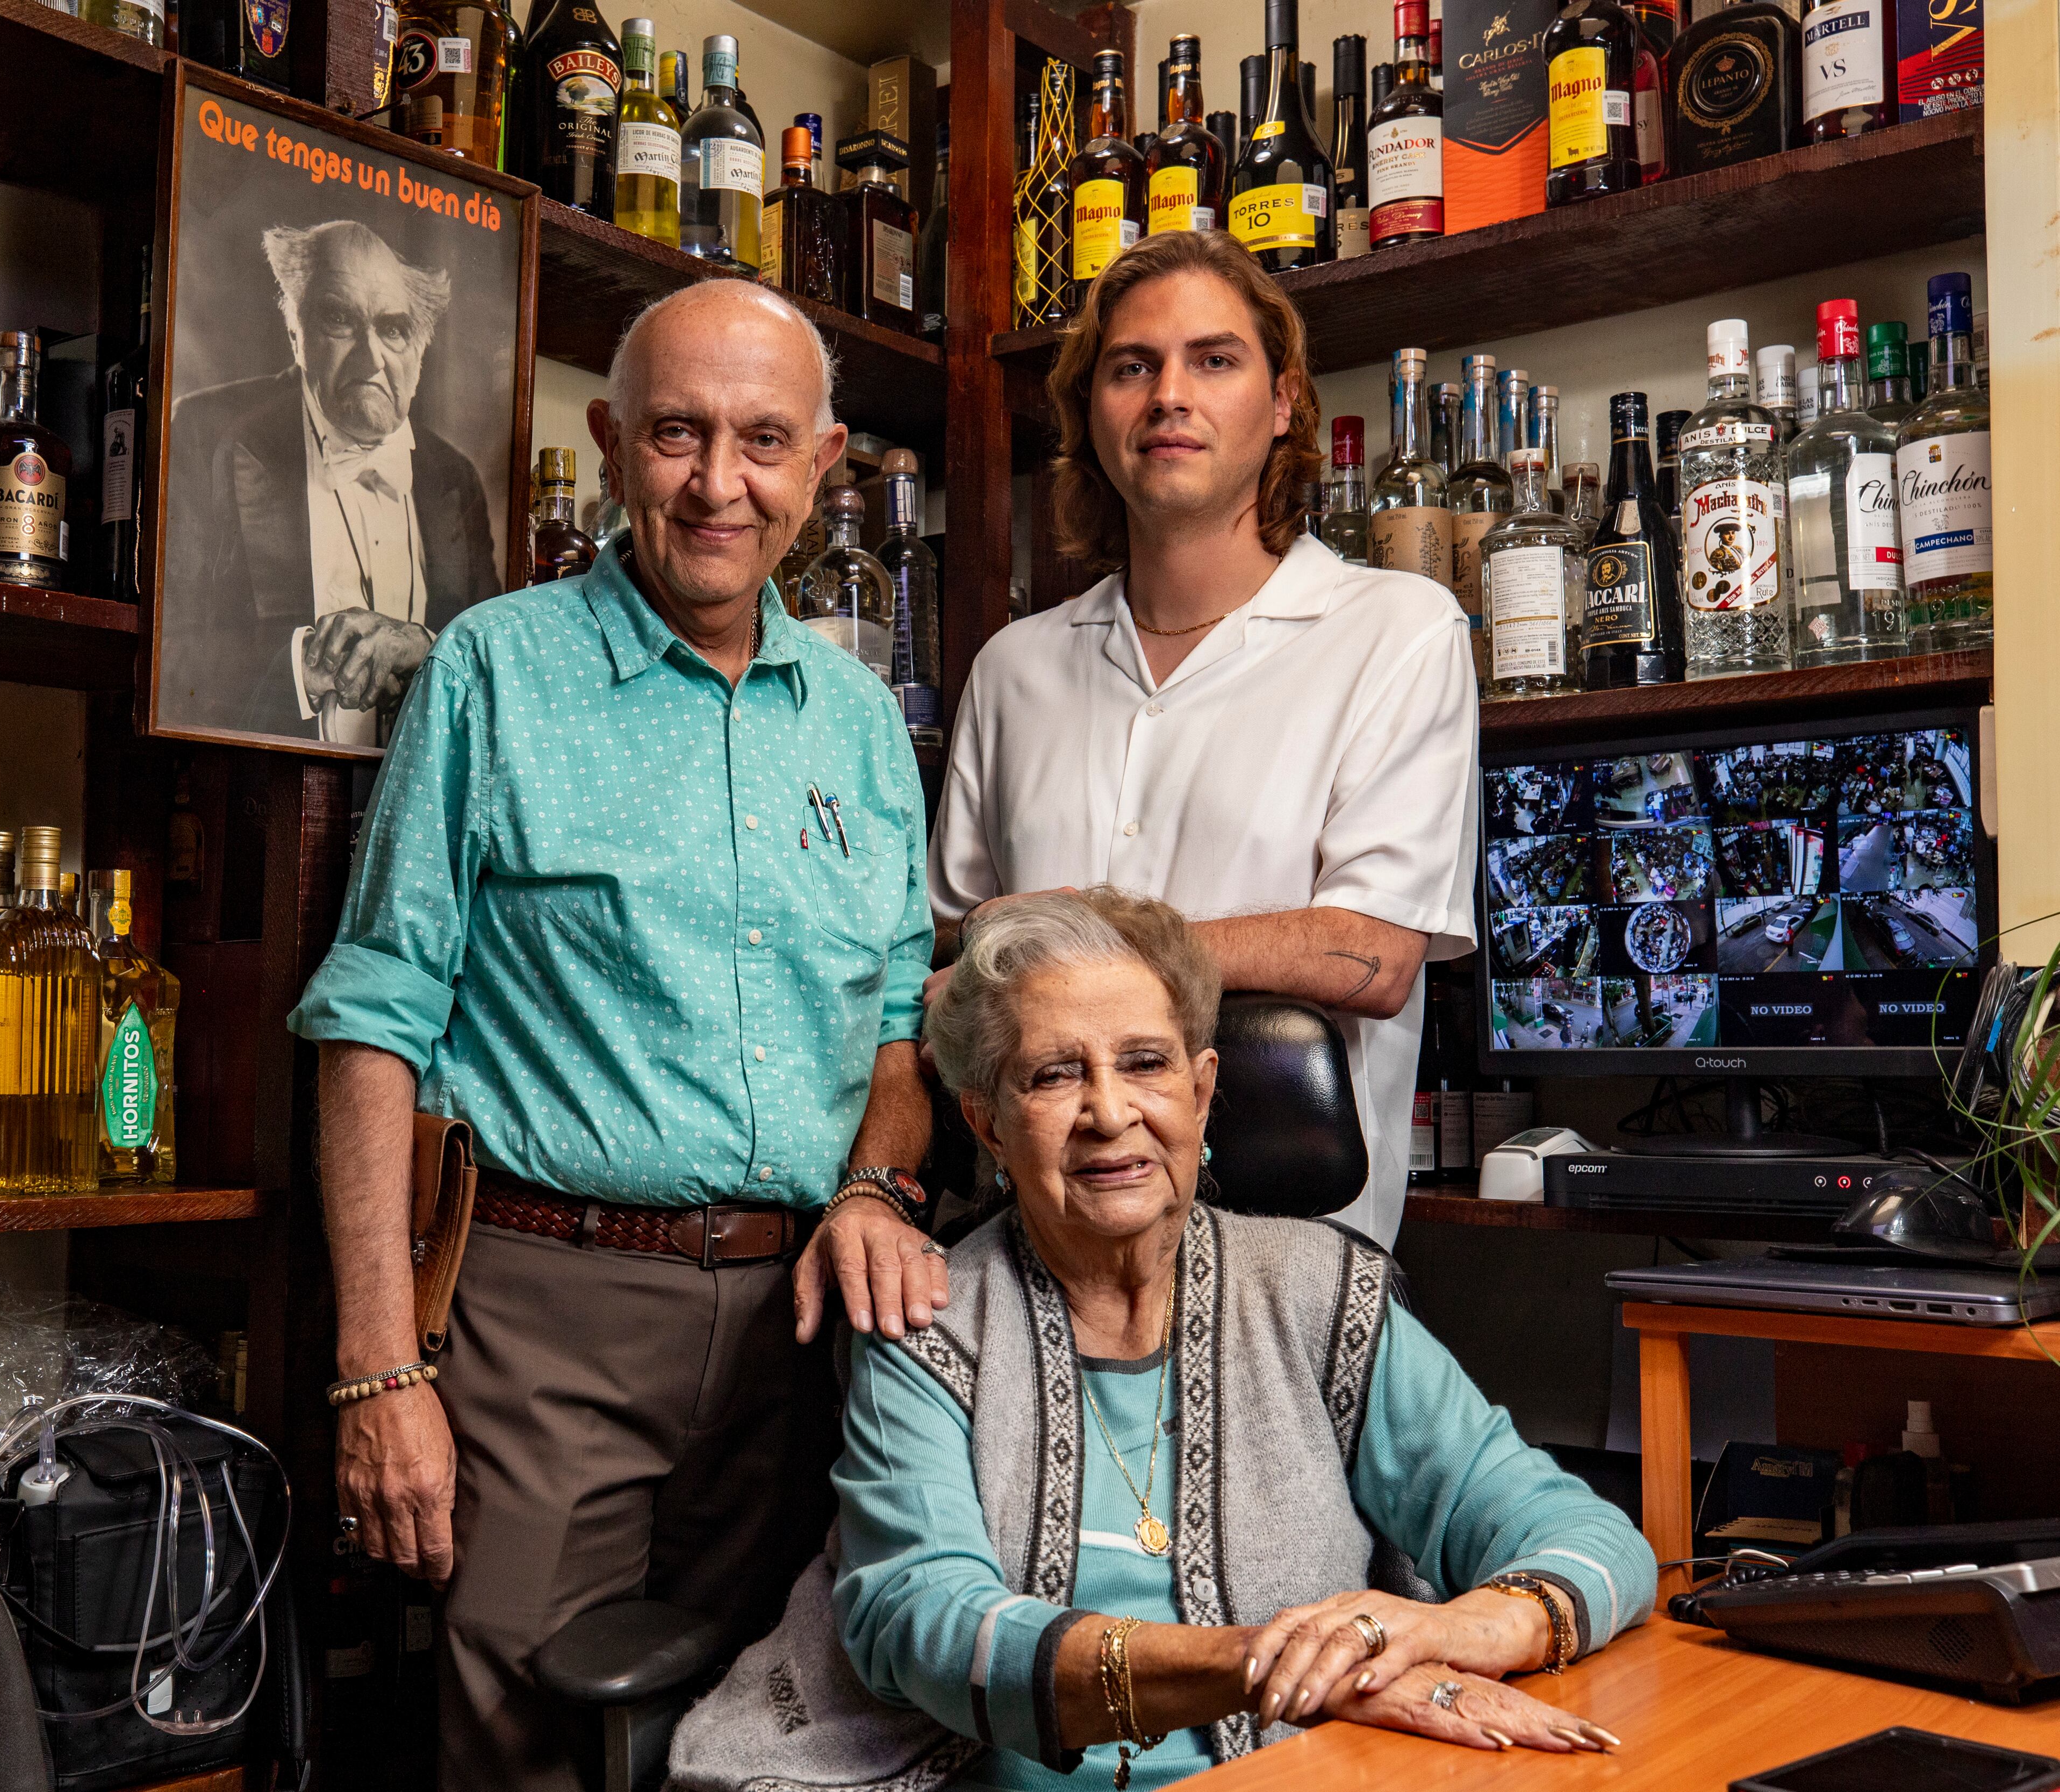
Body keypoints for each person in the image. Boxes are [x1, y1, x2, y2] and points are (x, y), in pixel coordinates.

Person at [288, 278, 950, 1791]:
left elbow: (903, 1025)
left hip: (799, 1325)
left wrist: (868, 1188)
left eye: (765, 440)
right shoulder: (496, 670)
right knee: (527, 1736)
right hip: (546, 1308)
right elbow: (373, 1017)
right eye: (678, 433)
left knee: (771, 1741)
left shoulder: (860, 722)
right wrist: (379, 1370)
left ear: (824, 461)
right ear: (609, 443)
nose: (722, 484)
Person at [669, 889, 1652, 1790]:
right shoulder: (928, 1316)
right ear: (990, 1123)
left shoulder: (1318, 1293)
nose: (1110, 1112)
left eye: (1145, 1062)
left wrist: (1452, 1629)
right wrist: (1270, 1663)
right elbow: (923, 1622)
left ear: (1201, 1087)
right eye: (1055, 1074)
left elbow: (1593, 1538)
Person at [927, 229, 1478, 1248]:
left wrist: (1078, 930)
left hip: (1288, 1260)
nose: (1168, 394)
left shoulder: (1396, 631)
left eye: (1214, 360)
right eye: (1131, 367)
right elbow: (959, 951)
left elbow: (1375, 950)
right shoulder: (1014, 667)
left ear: (1283, 405)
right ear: (1090, 413)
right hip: (1034, 1244)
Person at [166, 218, 501, 746]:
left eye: (393, 329)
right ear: (295, 330)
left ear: (420, 348)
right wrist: (302, 663)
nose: (371, 360)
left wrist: (426, 648)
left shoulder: (454, 478)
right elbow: (170, 652)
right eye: (340, 319)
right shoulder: (206, 433)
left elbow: (495, 676)